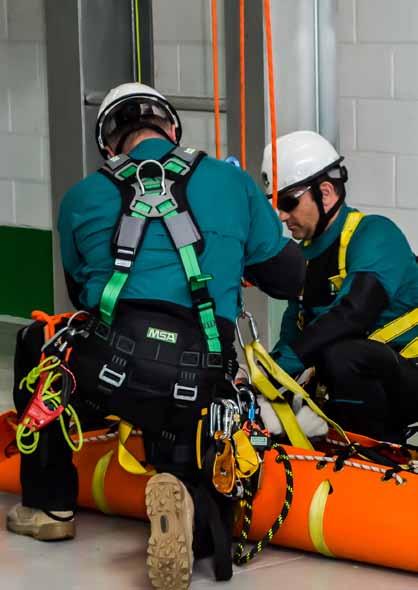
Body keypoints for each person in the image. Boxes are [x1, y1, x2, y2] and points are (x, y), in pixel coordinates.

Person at [7, 83, 305, 590]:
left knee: (42, 346)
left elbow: (83, 295)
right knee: (193, 435)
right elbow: (288, 278)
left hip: (111, 370)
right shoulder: (229, 183)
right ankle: (184, 493)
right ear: (172, 128)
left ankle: (51, 506)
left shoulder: (82, 198)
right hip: (200, 378)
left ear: (108, 144)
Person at [261, 130, 418, 443]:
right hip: (361, 382)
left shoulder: (375, 234)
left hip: (407, 373)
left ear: (327, 192)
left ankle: (369, 454)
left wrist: (287, 362)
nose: (281, 215)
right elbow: (294, 333)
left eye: (288, 202)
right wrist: (265, 376)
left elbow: (354, 312)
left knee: (342, 354)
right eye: (274, 204)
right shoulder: (304, 258)